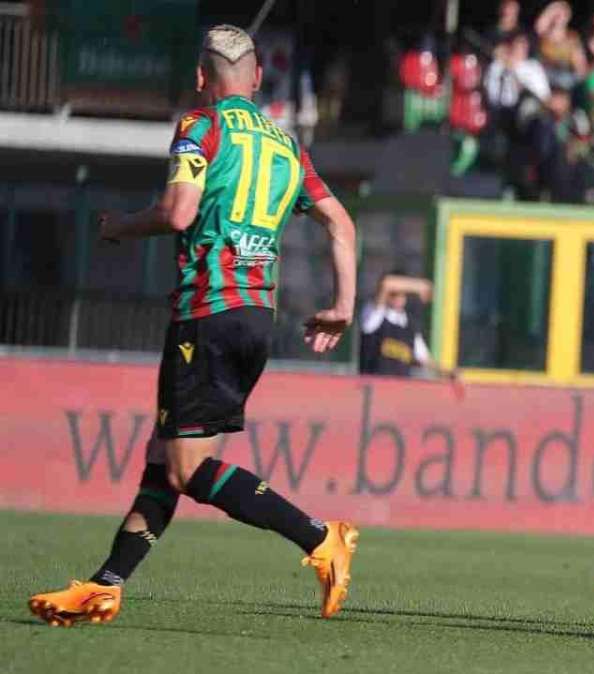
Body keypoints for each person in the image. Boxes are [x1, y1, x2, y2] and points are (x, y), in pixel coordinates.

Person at [28, 25, 360, 626]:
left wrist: (119, 227)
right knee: (164, 462)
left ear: (202, 79)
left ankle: (320, 536)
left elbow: (179, 212)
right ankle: (107, 584)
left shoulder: (200, 126)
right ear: (258, 78)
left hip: (207, 313)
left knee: (184, 469)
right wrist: (343, 305)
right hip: (256, 317)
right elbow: (341, 223)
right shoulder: (288, 145)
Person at [360, 272, 435, 377]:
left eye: (402, 293)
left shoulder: (410, 324)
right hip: (373, 388)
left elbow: (425, 359)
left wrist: (449, 373)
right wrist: (421, 285)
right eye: (394, 293)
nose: (399, 298)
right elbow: (387, 284)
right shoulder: (374, 313)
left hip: (399, 389)